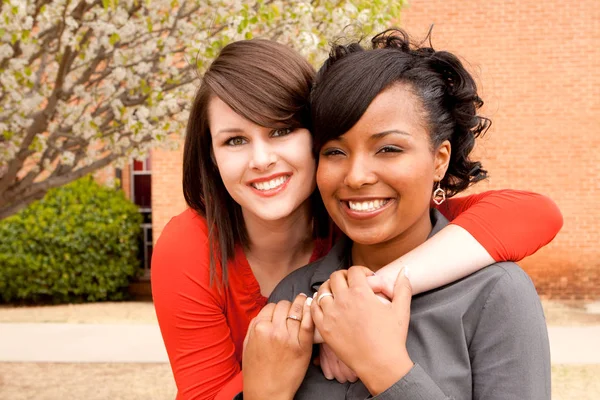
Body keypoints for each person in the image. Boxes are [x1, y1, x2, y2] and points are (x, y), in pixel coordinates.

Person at [151, 39, 561, 400]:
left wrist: (367, 320)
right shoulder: (269, 278)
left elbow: (534, 213)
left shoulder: (483, 284)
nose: (262, 159)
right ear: (211, 156)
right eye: (234, 140)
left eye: (281, 130)